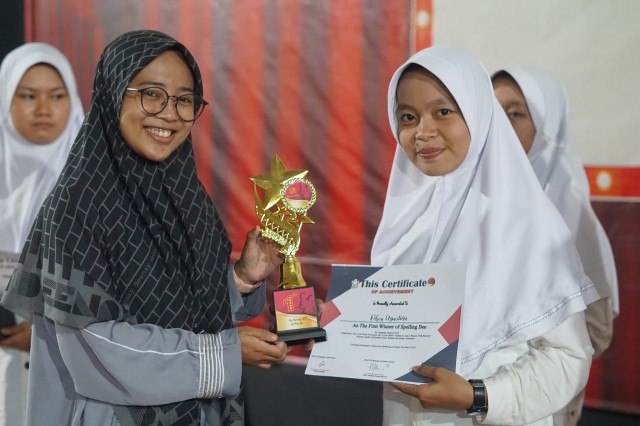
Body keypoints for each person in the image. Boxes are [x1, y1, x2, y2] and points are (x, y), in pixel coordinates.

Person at [1, 30, 287, 426]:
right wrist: (222, 354)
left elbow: (185, 310)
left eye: (184, 99)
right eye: (151, 94)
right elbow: (95, 350)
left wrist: (242, 279)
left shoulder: (187, 198)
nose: (169, 113)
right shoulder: (76, 206)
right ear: (114, 94)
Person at [370, 46, 600, 425]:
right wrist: (339, 327)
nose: (423, 131)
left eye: (443, 112)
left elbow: (569, 358)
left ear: (478, 113)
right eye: (408, 116)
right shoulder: (406, 222)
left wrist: (478, 396)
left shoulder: (527, 225)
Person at [492, 67, 619, 425]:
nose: (500, 125)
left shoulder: (569, 214)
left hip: (532, 401)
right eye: (492, 111)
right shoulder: (471, 198)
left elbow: (596, 330)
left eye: (515, 114)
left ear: (548, 128)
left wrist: (502, 351)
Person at [0, 42, 84, 426]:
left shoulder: (94, 181)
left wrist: (42, 333)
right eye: (28, 96)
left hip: (74, 367)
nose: (44, 109)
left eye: (56, 96)